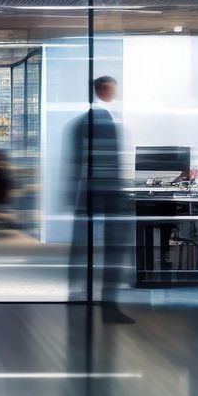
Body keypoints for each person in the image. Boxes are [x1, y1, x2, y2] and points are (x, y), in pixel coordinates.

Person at [67, 75, 130, 321]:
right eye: (113, 90)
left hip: (90, 191)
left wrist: (73, 193)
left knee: (83, 246)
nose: (115, 94)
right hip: (104, 191)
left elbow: (74, 162)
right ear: (105, 91)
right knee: (109, 247)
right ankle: (106, 305)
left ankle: (80, 297)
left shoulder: (80, 122)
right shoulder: (102, 120)